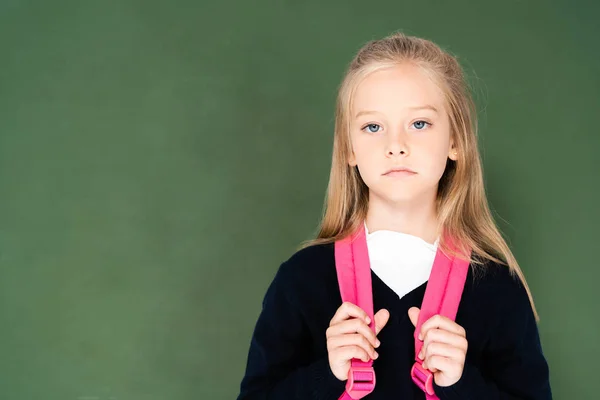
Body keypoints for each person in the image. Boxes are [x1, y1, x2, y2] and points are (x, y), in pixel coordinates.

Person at [236, 31, 552, 399]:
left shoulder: (497, 290)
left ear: (456, 141)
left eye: (419, 124)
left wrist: (461, 384)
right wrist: (328, 373)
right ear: (349, 149)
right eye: (373, 127)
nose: (396, 146)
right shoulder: (302, 282)